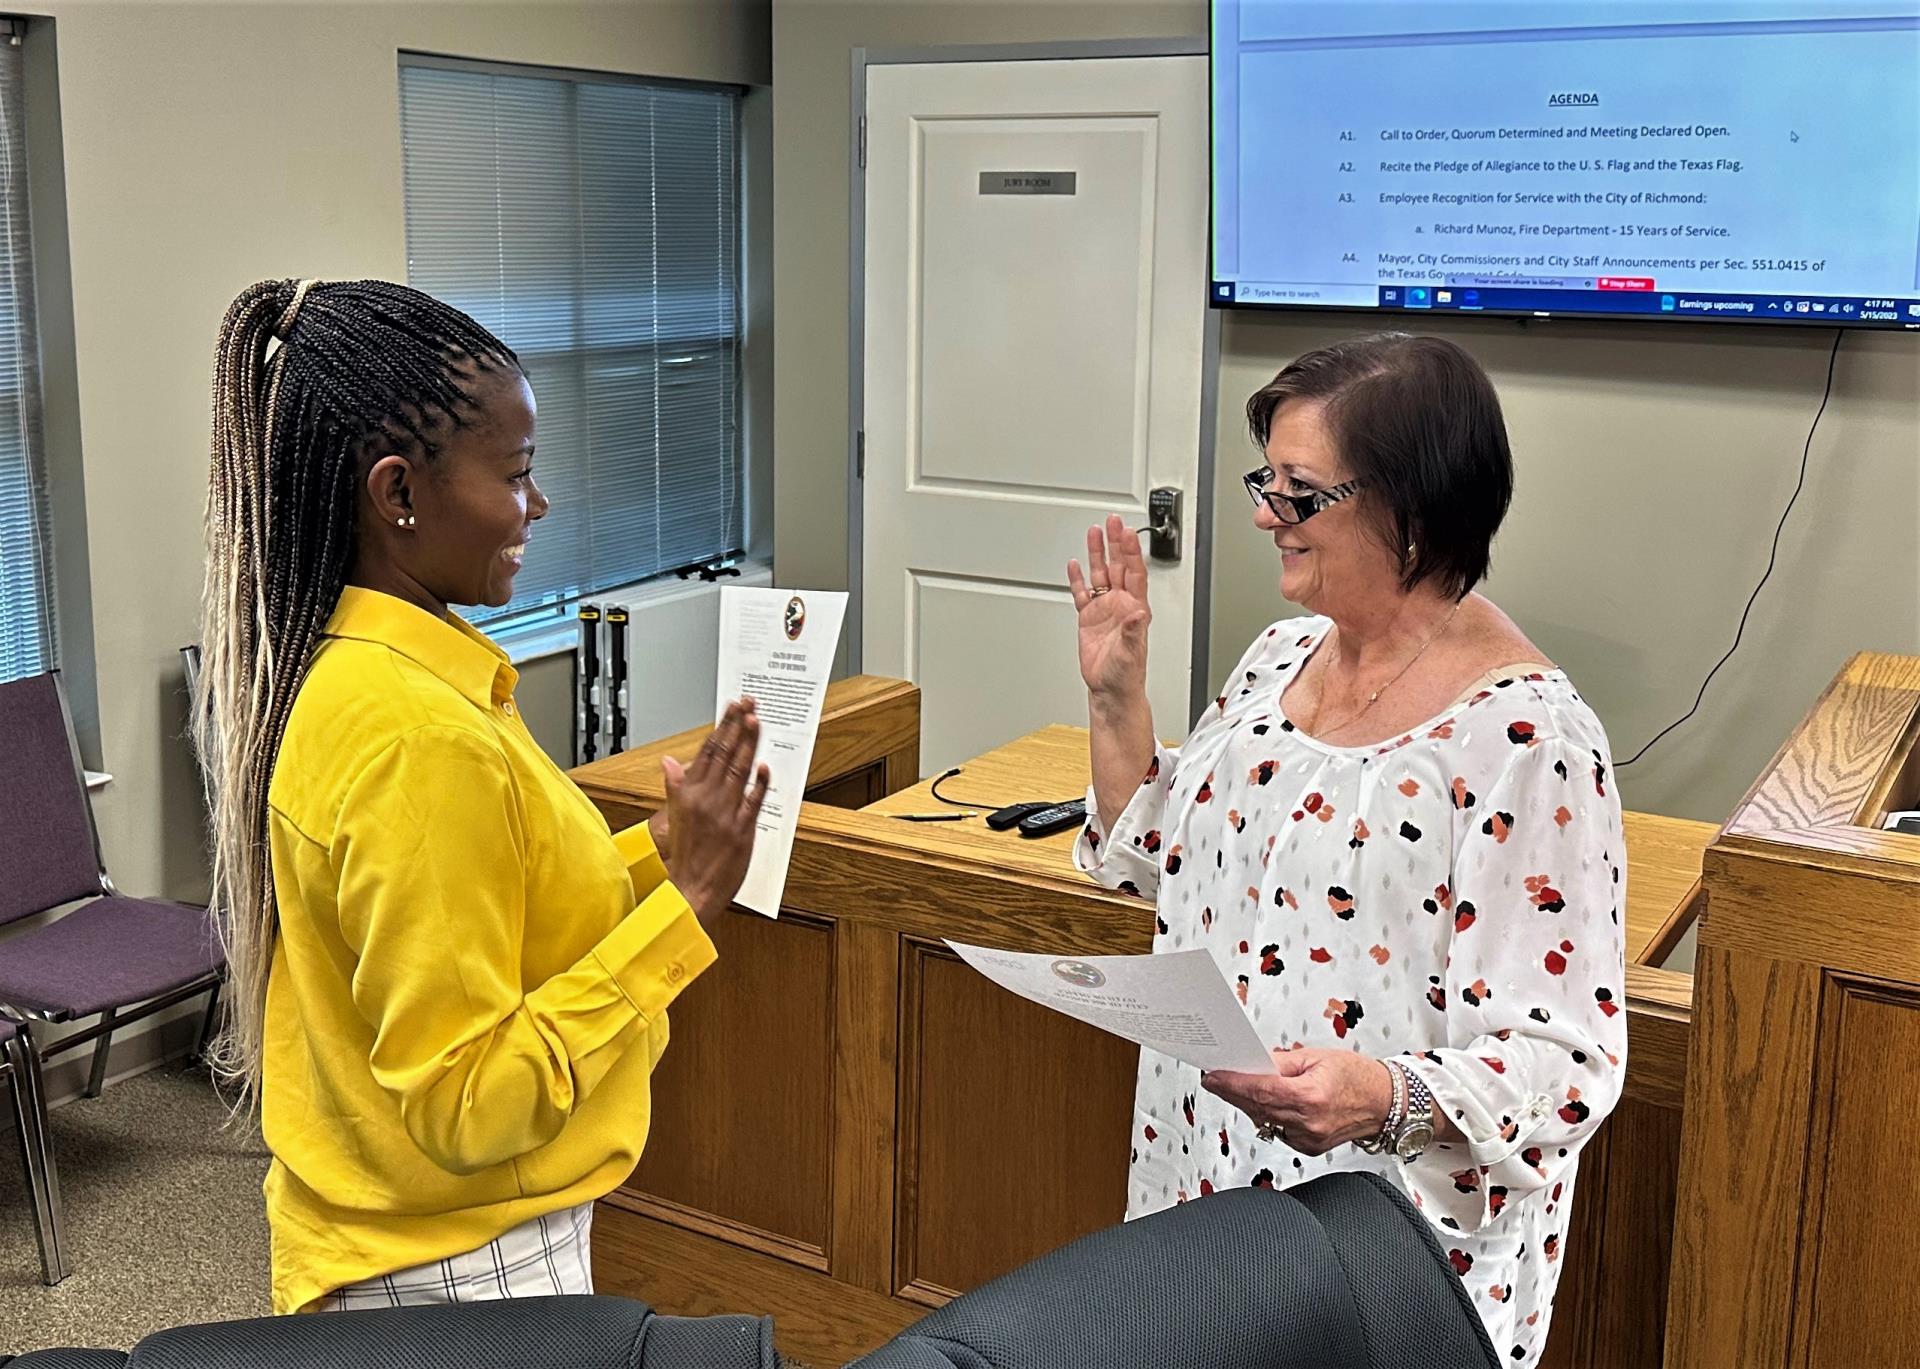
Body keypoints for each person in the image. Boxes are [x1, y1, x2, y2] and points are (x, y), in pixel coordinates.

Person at [191, 279, 768, 1314]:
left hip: (404, 1242)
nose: (536, 505)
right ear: (399, 491)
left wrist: (666, 851)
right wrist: (685, 912)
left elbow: (510, 902)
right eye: (516, 474)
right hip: (454, 1268)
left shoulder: (373, 676)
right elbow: (468, 1099)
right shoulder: (417, 739)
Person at [1066, 333, 1625, 1368]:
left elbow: (1563, 1068)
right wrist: (1117, 702)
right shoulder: (1279, 656)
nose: (1266, 515)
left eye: (1302, 493)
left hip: (1381, 1244)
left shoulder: (1527, 739)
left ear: (1413, 511)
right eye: (1267, 482)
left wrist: (1382, 1095)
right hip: (1203, 1185)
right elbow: (1161, 855)